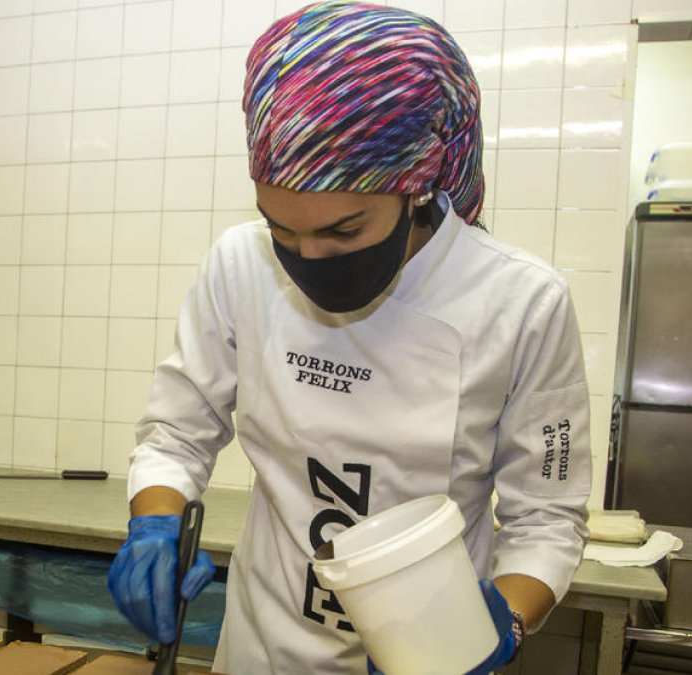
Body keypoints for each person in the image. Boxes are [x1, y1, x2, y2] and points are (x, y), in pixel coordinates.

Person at [106, 2, 592, 673]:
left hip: (427, 658)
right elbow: (176, 434)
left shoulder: (520, 302)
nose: (308, 256)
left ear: (418, 185)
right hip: (259, 653)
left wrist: (501, 619)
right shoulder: (238, 266)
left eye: (343, 231)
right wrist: (154, 524)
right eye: (281, 229)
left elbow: (549, 519)